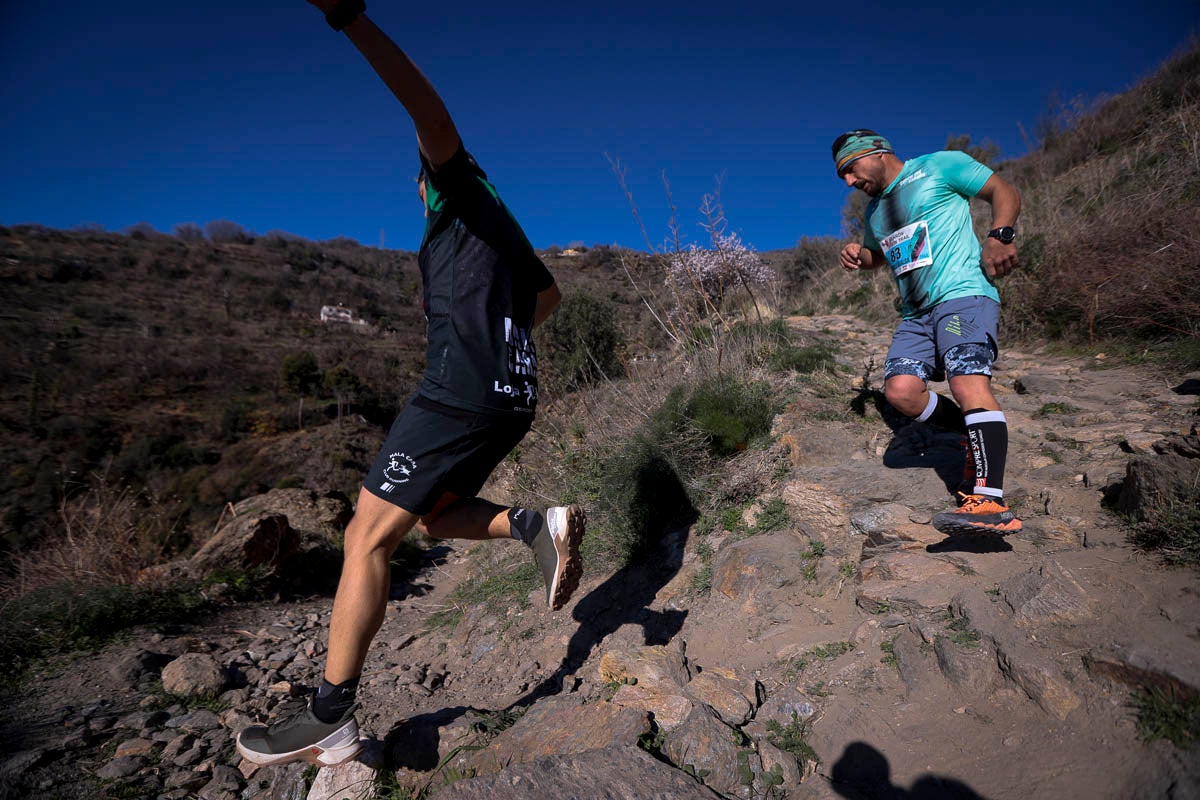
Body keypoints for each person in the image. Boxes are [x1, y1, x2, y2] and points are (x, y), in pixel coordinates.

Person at [236, 0, 585, 767]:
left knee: (367, 537)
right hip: (512, 393)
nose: (415, 188)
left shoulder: (457, 190)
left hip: (460, 386)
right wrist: (501, 341)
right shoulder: (504, 227)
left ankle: (328, 715)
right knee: (433, 516)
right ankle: (536, 526)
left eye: (417, 180)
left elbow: (428, 110)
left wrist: (350, 20)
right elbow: (548, 300)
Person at [833, 129, 1022, 536]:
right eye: (842, 177)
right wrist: (858, 254)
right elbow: (876, 256)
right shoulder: (875, 212)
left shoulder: (939, 165)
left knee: (966, 381)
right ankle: (968, 436)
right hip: (915, 315)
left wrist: (999, 235)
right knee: (900, 392)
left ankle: (988, 500)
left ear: (878, 152)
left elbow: (1002, 191)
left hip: (962, 296)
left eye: (850, 169)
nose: (849, 181)